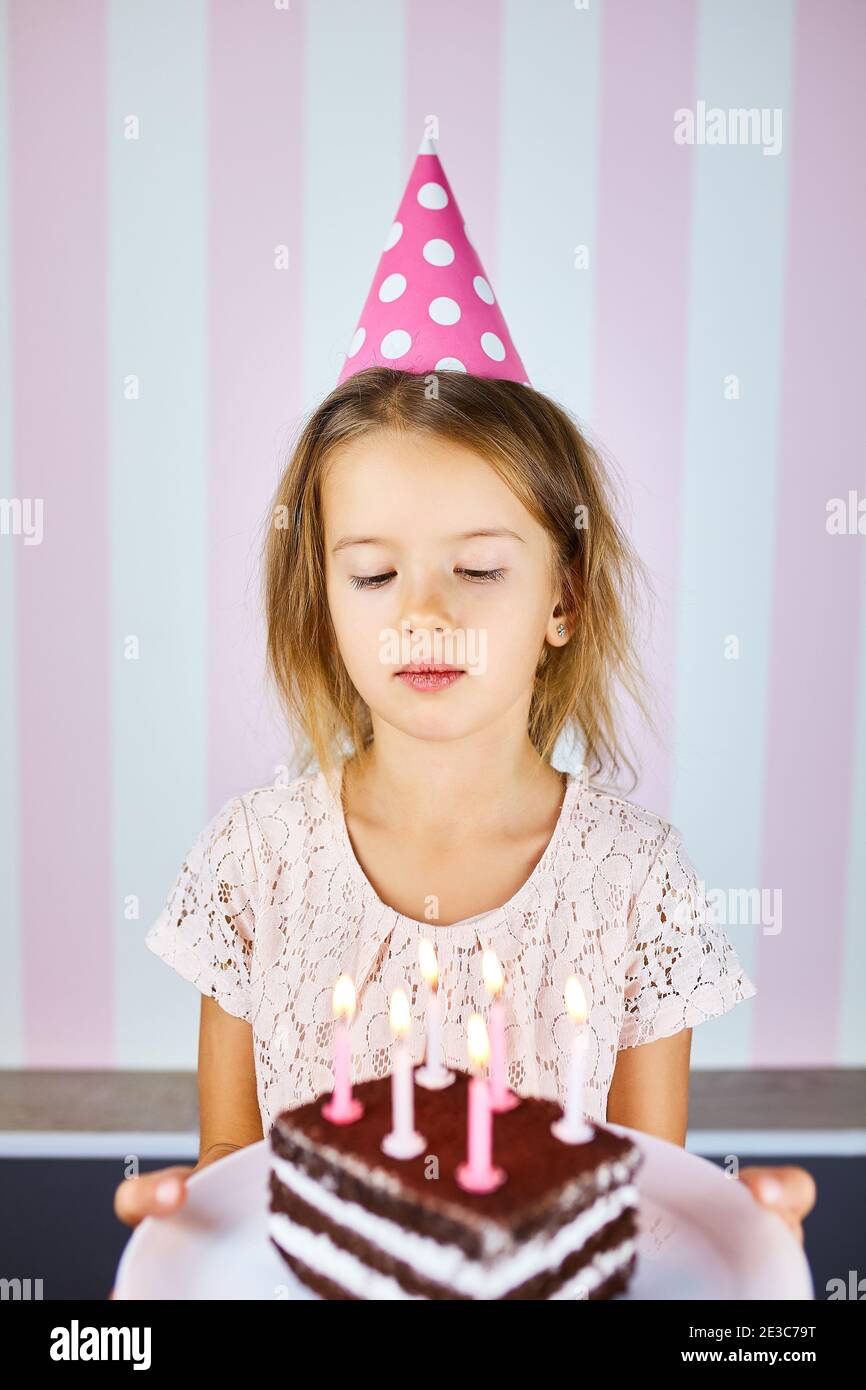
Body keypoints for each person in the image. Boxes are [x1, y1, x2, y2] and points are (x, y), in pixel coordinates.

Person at [112, 138, 816, 1295]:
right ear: (321, 598)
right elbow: (238, 1188)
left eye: (478, 570)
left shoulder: (637, 887)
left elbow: (649, 1214)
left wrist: (746, 1263)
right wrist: (174, 1225)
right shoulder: (250, 866)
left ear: (562, 596)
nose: (422, 615)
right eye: (374, 575)